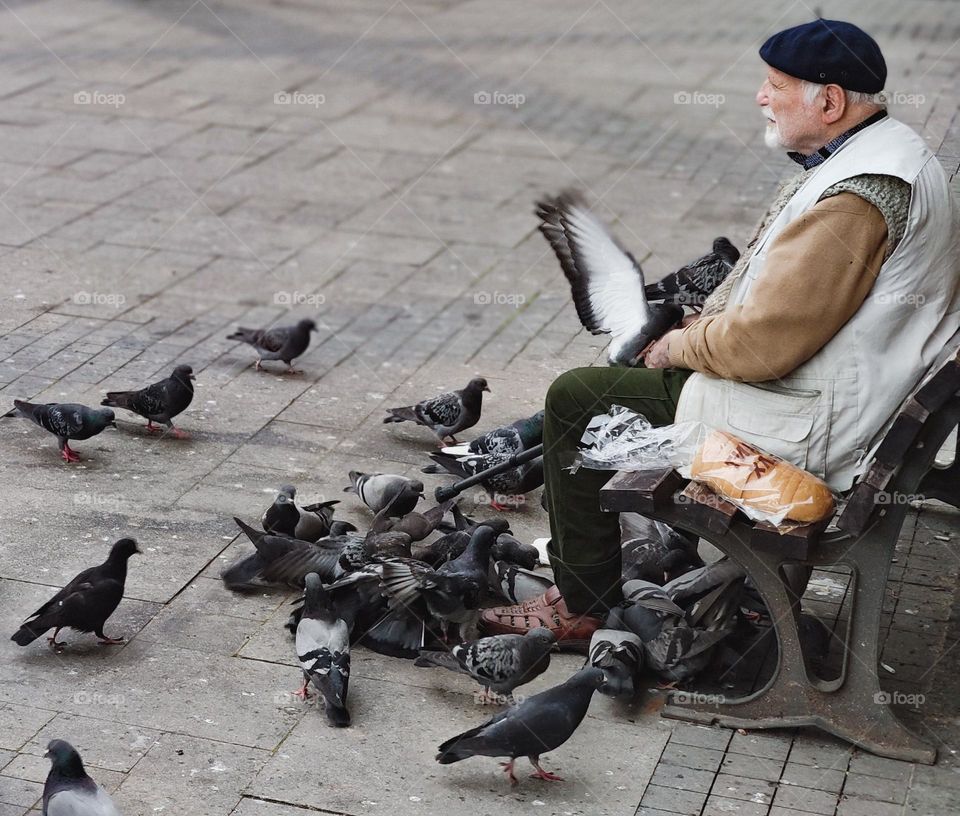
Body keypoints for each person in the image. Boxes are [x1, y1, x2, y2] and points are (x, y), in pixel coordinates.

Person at [481, 18, 960, 649]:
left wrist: (677, 344)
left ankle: (581, 602)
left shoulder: (857, 197)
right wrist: (699, 329)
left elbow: (764, 346)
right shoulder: (888, 150)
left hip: (818, 423)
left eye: (775, 86)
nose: (762, 98)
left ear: (831, 100)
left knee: (577, 398)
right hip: (859, 397)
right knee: (633, 372)